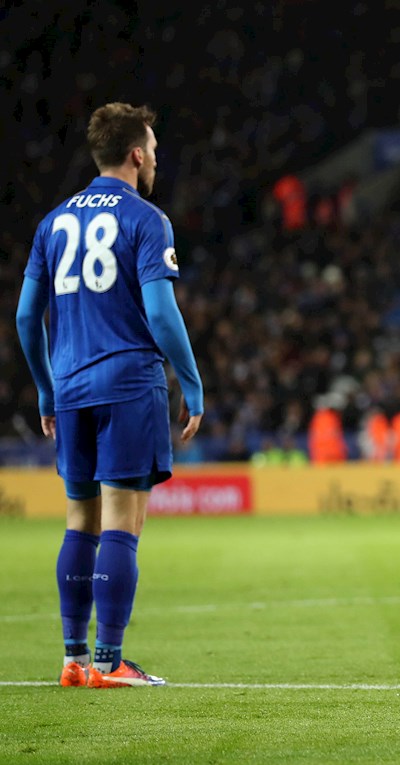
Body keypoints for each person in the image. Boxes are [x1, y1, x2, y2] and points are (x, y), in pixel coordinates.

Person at [15, 103, 205, 689]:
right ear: (136, 154)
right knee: (122, 524)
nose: (155, 159)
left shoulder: (52, 223)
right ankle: (109, 662)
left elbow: (26, 316)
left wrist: (47, 391)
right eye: (153, 149)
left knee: (80, 522)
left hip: (70, 388)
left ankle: (73, 659)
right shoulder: (148, 220)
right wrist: (192, 383)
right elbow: (160, 312)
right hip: (127, 386)